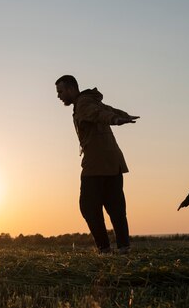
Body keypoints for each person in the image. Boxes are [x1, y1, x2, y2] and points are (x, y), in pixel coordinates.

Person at [55, 75, 139, 254]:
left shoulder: (83, 103)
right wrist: (122, 116)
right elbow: (107, 110)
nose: (59, 96)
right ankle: (124, 248)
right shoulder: (90, 100)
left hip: (96, 164)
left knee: (88, 207)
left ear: (71, 89)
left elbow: (99, 114)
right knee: (115, 207)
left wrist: (116, 120)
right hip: (113, 163)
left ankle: (104, 249)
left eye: (60, 91)